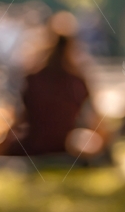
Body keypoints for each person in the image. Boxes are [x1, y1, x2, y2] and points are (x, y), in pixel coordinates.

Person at [14, 12, 92, 157]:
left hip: (34, 145)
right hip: (65, 146)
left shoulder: (33, 78)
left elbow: (21, 117)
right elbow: (90, 116)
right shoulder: (77, 81)